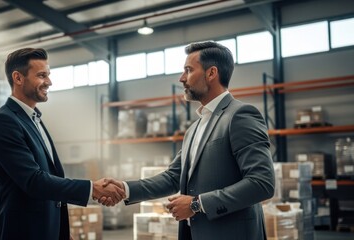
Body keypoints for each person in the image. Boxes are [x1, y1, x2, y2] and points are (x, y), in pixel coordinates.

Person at [103, 41, 275, 240]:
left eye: (188, 70)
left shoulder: (240, 115)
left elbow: (262, 183)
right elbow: (172, 177)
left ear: (211, 73)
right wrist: (124, 189)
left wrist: (196, 204)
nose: (182, 78)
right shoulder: (194, 129)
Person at [0, 48, 125, 240]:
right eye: (42, 75)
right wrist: (93, 188)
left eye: (48, 75)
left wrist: (61, 231)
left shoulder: (34, 119)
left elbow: (50, 178)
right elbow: (33, 181)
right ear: (18, 78)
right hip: (21, 232)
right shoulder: (4, 122)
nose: (49, 82)